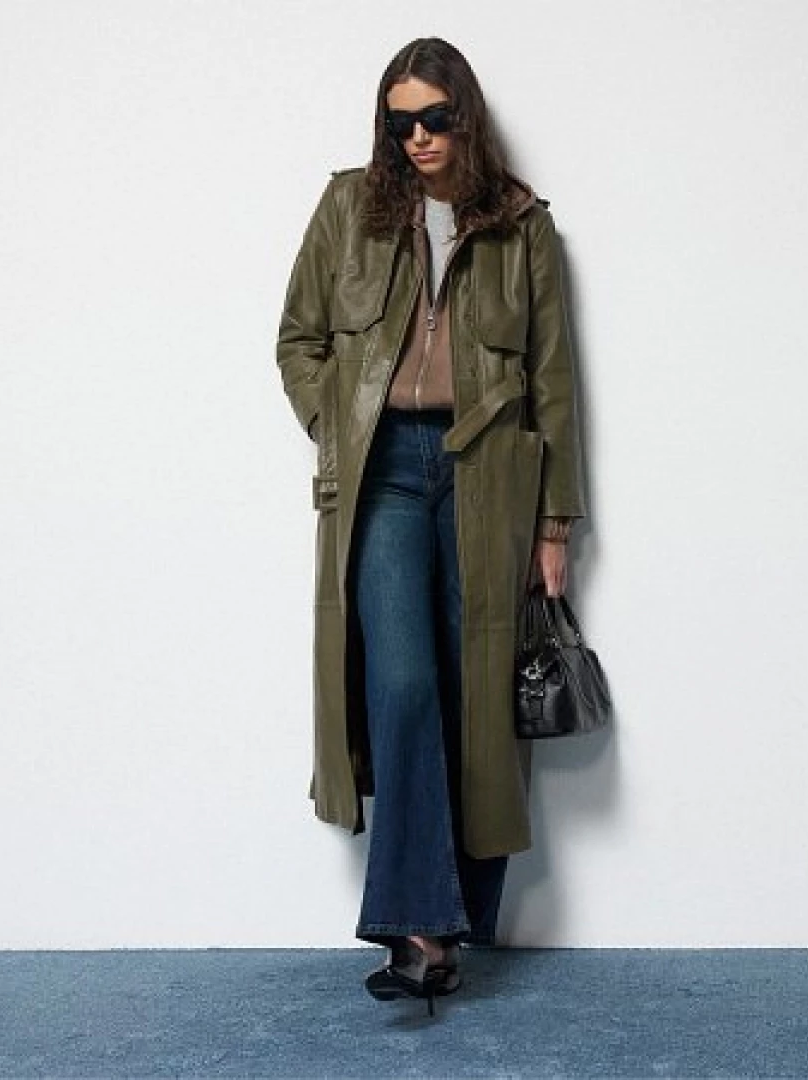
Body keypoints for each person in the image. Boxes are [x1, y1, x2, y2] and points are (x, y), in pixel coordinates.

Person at [274, 37, 585, 1013]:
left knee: (472, 692)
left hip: (488, 475)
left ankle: (439, 935)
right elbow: (298, 341)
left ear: (466, 118)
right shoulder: (350, 208)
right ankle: (418, 925)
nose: (416, 137)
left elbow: (554, 384)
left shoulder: (522, 227)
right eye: (399, 121)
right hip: (385, 473)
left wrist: (555, 525)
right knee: (402, 683)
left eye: (434, 118)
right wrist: (338, 424)